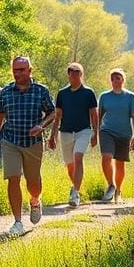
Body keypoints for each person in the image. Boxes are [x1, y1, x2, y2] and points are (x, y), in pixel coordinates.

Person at [0, 56, 55, 237]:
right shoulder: (6, 92)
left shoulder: (40, 90)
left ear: (30, 70)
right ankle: (17, 222)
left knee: (33, 182)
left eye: (21, 70)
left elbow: (52, 113)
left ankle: (35, 201)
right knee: (13, 178)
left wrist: (41, 126)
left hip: (32, 143)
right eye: (15, 70)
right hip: (10, 140)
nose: (17, 73)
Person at [48, 62, 98, 207]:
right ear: (68, 75)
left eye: (77, 72)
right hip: (65, 132)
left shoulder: (88, 93)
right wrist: (52, 136)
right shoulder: (62, 94)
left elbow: (94, 116)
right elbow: (57, 116)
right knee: (70, 165)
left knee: (78, 157)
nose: (74, 74)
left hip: (83, 131)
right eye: (71, 72)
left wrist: (96, 134)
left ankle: (75, 192)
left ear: (81, 75)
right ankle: (76, 188)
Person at [97, 68, 134, 203]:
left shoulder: (130, 97)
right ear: (111, 81)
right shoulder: (104, 96)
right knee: (106, 157)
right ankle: (111, 184)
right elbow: (99, 115)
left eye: (118, 78)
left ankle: (118, 191)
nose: (116, 81)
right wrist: (96, 131)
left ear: (123, 80)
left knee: (120, 164)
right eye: (113, 78)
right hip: (107, 131)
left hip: (124, 133)